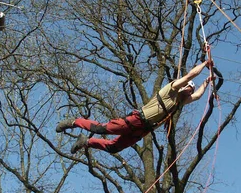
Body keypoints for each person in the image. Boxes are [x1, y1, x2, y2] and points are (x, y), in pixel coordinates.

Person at [56, 60, 218, 154]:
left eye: (190, 91)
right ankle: (74, 122)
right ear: (183, 87)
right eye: (188, 89)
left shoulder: (178, 102)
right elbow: (190, 75)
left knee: (114, 148)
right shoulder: (170, 89)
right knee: (102, 129)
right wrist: (205, 63)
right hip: (137, 120)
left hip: (142, 130)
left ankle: (86, 142)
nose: (189, 93)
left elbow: (197, 96)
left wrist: (207, 82)